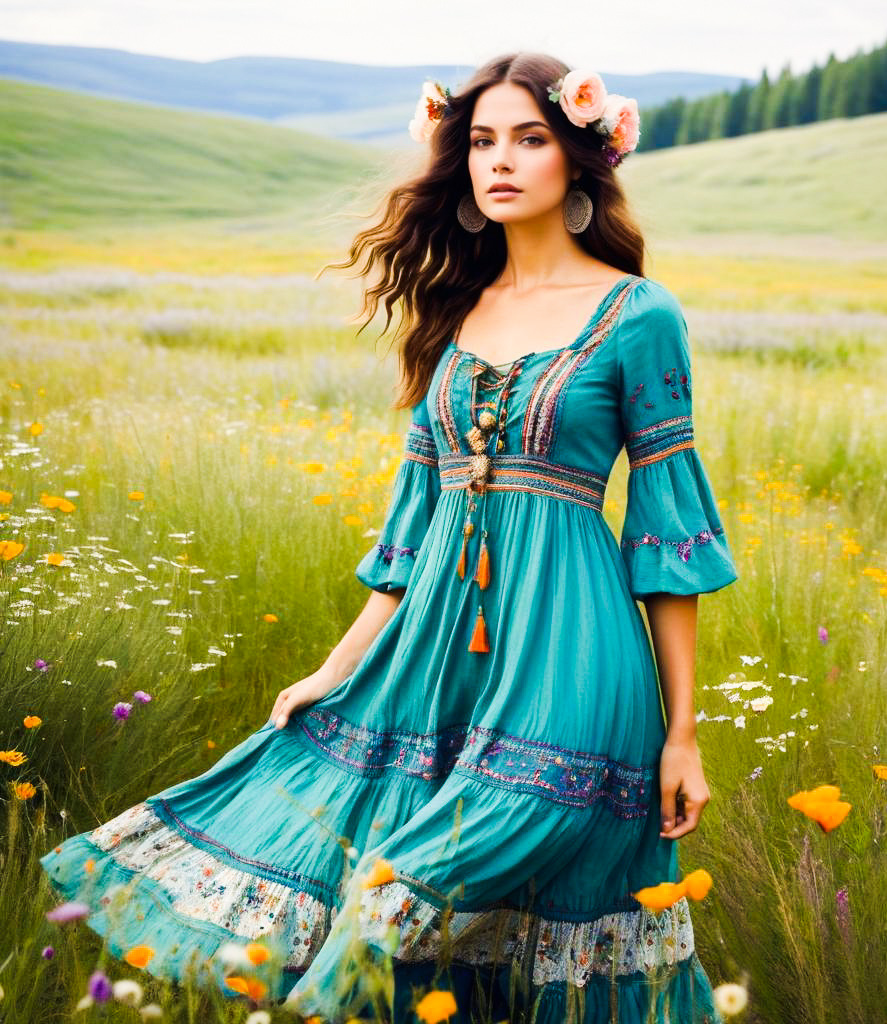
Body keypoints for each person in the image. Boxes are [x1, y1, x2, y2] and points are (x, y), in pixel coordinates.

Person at [41, 52, 739, 1024]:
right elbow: (412, 529)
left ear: (579, 158)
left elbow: (669, 540)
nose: (500, 160)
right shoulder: (456, 317)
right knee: (442, 951)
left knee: (394, 897)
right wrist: (335, 666)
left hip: (577, 663)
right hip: (436, 657)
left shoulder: (639, 315)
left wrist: (680, 733)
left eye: (529, 138)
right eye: (482, 141)